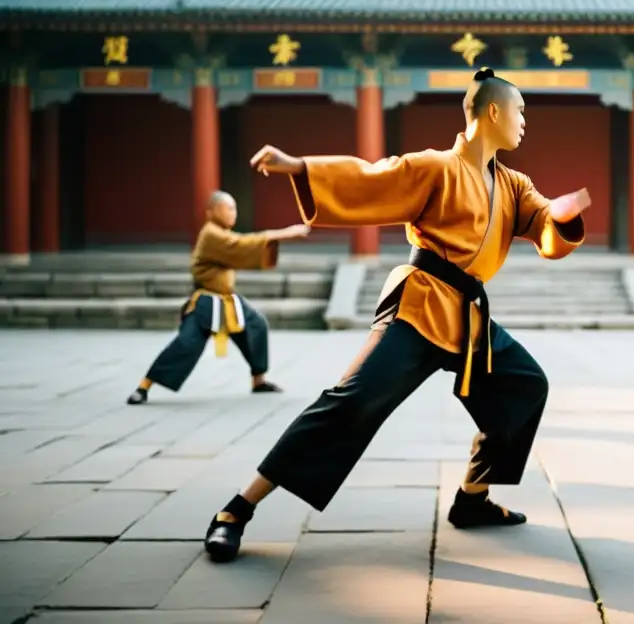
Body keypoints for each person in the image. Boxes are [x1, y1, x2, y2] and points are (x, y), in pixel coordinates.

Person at [202, 68, 591, 563]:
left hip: (467, 318)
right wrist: (301, 167)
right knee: (352, 402)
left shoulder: (514, 184)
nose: (524, 123)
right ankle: (236, 509)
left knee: (524, 385)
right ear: (492, 111)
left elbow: (545, 230)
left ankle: (473, 499)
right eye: (520, 112)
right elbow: (372, 177)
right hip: (422, 303)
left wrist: (560, 216)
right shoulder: (435, 167)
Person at [126, 191, 310, 405]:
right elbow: (241, 244)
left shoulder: (222, 234)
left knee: (256, 326)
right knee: (186, 343)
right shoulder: (211, 234)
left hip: (227, 299)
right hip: (206, 301)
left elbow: (239, 248)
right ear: (211, 211)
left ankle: (258, 381)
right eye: (228, 208)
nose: (233, 213)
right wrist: (284, 233)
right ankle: (144, 386)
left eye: (234, 209)